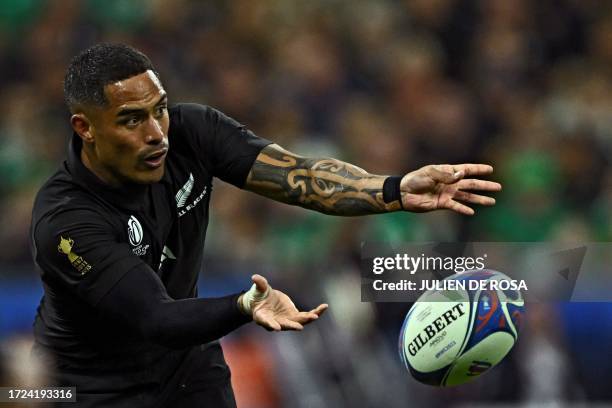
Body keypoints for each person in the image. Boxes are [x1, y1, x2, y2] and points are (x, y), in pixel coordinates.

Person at [30, 43, 501, 407]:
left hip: (189, 371)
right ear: (84, 128)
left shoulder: (191, 133)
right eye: (132, 120)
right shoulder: (66, 220)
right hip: (92, 389)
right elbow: (155, 317)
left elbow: (300, 177)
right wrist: (242, 305)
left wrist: (393, 189)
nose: (157, 132)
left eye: (160, 109)